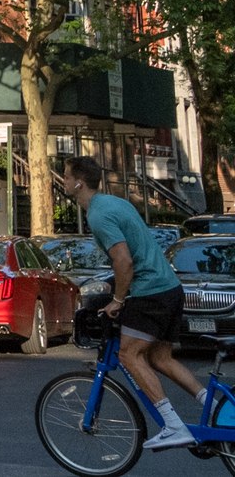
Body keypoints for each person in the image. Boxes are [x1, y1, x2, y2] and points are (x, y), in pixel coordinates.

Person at [64, 155, 201, 450]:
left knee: (128, 355)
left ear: (78, 183)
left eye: (65, 177)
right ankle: (216, 408)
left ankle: (174, 425)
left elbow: (123, 261)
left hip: (148, 291)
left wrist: (117, 300)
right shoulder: (115, 202)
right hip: (169, 287)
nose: (63, 181)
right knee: (160, 358)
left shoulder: (98, 215)